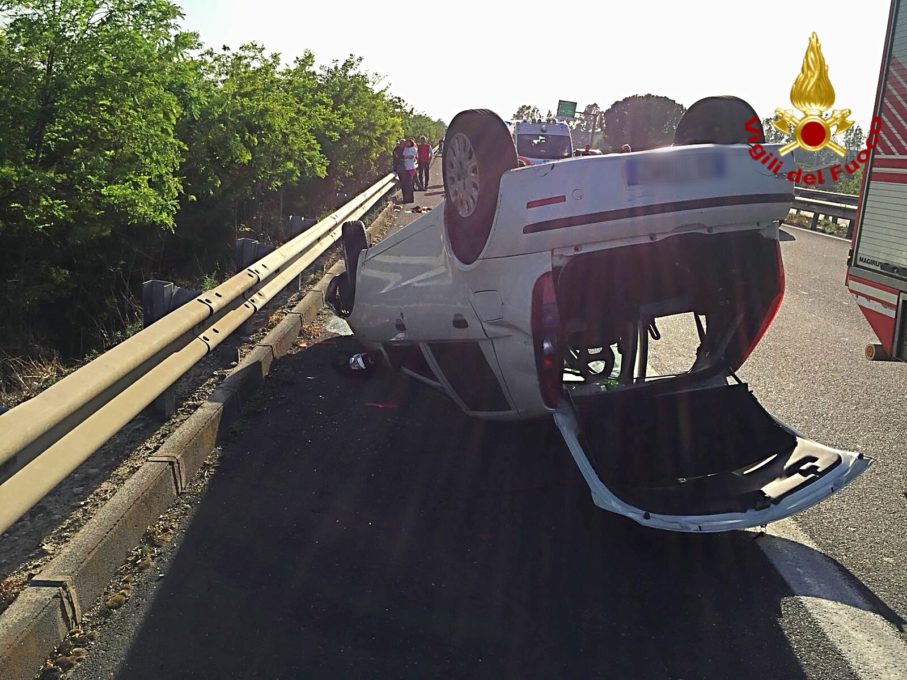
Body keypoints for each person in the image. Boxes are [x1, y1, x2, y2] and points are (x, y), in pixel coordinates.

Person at [401, 138, 418, 203]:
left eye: (409, 142)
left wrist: (406, 157)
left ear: (411, 143)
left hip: (411, 168)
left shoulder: (414, 148)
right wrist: (407, 157)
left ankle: (410, 199)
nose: (407, 144)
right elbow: (404, 156)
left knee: (410, 184)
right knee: (406, 185)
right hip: (406, 168)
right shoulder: (405, 149)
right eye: (406, 143)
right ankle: (406, 199)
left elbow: (412, 157)